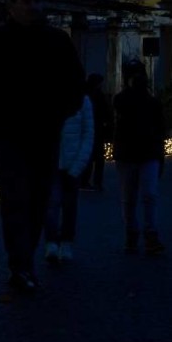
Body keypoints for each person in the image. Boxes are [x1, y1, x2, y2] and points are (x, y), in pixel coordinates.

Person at [0, 0, 85, 292]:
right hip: (9, 134)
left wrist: (59, 113)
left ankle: (23, 259)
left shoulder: (57, 41)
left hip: (45, 134)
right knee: (16, 199)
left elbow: (75, 85)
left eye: (37, 1)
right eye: (28, 1)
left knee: (38, 201)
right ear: (12, 5)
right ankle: (20, 264)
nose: (34, 6)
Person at [112, 61, 167, 254]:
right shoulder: (126, 100)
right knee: (136, 197)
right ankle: (136, 232)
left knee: (142, 196)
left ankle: (144, 233)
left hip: (140, 153)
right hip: (134, 154)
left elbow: (161, 130)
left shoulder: (148, 102)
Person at [43, 95, 94, 264]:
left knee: (68, 204)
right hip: (53, 161)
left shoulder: (82, 100)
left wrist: (79, 164)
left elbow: (88, 133)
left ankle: (64, 241)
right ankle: (52, 241)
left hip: (70, 161)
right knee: (53, 203)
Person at [80, 73, 113, 191]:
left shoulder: (84, 95)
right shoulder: (99, 96)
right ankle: (96, 182)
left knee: (88, 156)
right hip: (97, 130)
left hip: (89, 129)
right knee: (98, 158)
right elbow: (106, 113)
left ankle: (85, 180)